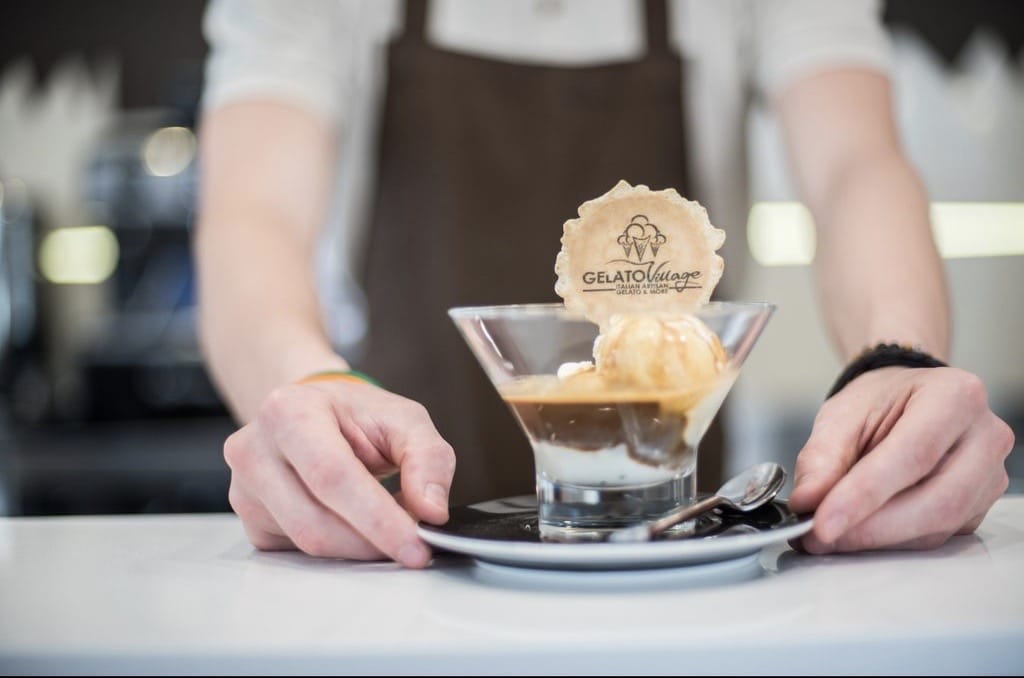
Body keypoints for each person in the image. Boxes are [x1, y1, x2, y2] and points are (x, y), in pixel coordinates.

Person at [195, 0, 1014, 568]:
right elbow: (251, 212)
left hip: (681, 546)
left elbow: (855, 165)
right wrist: (309, 386)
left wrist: (896, 361)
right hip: (388, 529)